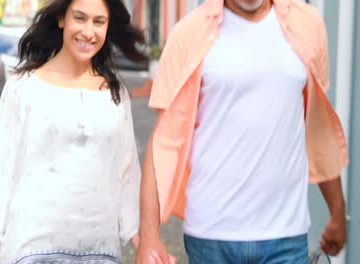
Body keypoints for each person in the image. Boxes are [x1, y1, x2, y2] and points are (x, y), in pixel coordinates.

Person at [136, 0, 348, 263]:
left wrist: (338, 212)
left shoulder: (308, 26)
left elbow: (317, 127)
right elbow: (163, 143)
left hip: (286, 235)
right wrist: (149, 238)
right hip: (212, 236)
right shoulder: (188, 34)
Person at [0, 0, 147, 263]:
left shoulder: (115, 94)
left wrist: (144, 241)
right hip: (30, 250)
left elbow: (127, 172)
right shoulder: (24, 86)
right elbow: (0, 170)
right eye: (80, 18)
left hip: (99, 252)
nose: (88, 32)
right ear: (62, 18)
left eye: (99, 22)